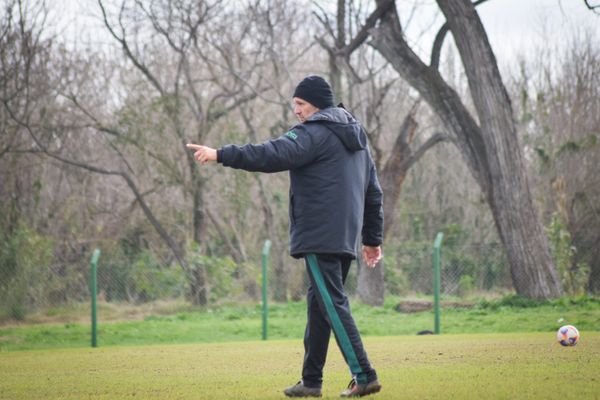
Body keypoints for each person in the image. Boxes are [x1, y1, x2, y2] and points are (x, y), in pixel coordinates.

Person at [187, 75, 383, 398]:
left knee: (332, 303)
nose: (296, 112)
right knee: (319, 305)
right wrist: (372, 240)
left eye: (301, 105)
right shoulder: (357, 140)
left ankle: (364, 374)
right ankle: (311, 381)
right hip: (344, 237)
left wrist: (220, 154)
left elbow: (270, 154)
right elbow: (374, 193)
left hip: (319, 236)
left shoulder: (313, 133)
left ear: (317, 105)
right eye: (294, 105)